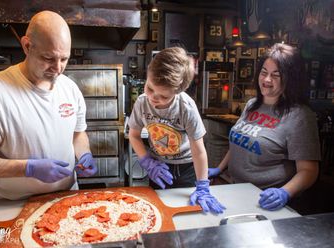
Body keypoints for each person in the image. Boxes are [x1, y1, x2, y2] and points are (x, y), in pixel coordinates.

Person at [0, 11, 97, 200]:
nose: (58, 68)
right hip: (15, 204)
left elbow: (77, 133)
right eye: (49, 58)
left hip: (67, 197)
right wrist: (27, 168)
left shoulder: (70, 88)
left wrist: (84, 153)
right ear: (27, 46)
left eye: (64, 59)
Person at [209, 43, 321, 211]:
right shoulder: (252, 104)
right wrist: (220, 168)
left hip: (265, 202)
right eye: (264, 72)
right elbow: (240, 141)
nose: (267, 80)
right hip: (237, 191)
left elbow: (308, 170)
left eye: (276, 75)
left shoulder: (300, 115)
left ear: (291, 79)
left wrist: (284, 192)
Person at [128, 47, 225, 214]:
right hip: (158, 167)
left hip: (187, 168)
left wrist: (202, 185)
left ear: (178, 91)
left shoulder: (186, 107)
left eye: (164, 96)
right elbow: (134, 135)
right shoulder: (142, 103)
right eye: (150, 88)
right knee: (160, 211)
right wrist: (147, 162)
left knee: (188, 212)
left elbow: (198, 150)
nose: (153, 98)